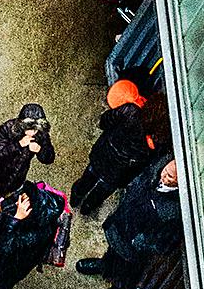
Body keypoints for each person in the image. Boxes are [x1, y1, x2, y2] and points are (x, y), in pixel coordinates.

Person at [76, 157, 182, 289]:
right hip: (121, 225)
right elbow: (140, 179)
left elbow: (164, 243)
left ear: (179, 182)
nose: (163, 176)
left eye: (170, 176)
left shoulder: (174, 211)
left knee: (123, 282)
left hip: (133, 250)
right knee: (112, 253)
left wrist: (138, 242)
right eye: (166, 170)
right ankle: (104, 266)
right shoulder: (157, 169)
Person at [70, 78, 171, 215]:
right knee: (103, 191)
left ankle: (75, 198)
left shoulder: (130, 111)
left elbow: (104, 122)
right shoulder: (159, 142)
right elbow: (148, 163)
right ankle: (87, 208)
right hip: (119, 174)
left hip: (103, 154)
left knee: (88, 177)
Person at [0, 102, 55, 204]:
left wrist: (40, 150)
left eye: (35, 130)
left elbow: (49, 158)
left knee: (8, 197)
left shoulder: (41, 134)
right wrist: (18, 145)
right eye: (29, 129)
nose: (33, 133)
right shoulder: (7, 129)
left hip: (16, 176)